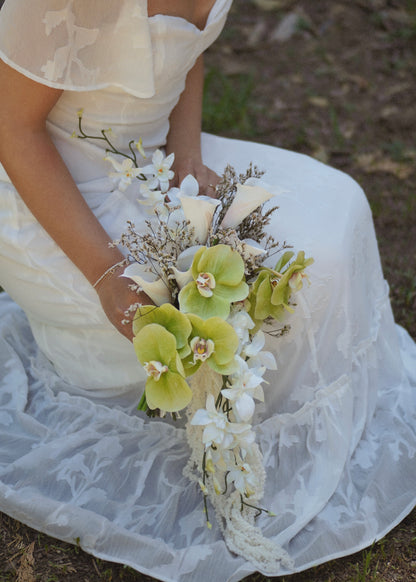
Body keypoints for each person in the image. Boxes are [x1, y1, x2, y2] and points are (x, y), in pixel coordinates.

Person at [0, 1, 415, 581]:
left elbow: (185, 47)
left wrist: (188, 154)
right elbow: (12, 127)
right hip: (57, 198)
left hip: (152, 161)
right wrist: (104, 274)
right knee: (248, 313)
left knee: (339, 209)